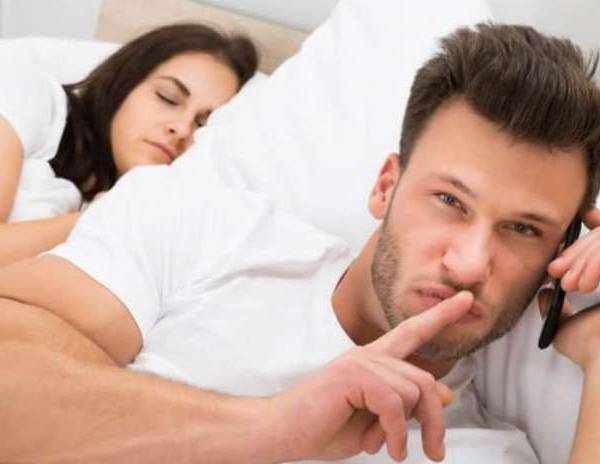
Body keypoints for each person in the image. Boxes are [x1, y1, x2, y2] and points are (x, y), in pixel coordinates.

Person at [1, 23, 600, 463]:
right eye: (449, 200)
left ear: (560, 252)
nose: (468, 263)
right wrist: (268, 428)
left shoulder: (482, 450)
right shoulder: (200, 225)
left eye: (524, 229)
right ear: (386, 186)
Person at [0, 23, 257, 267]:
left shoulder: (151, 219)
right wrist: (99, 218)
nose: (182, 129)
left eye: (202, 125)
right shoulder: (29, 96)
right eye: (168, 98)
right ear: (125, 82)